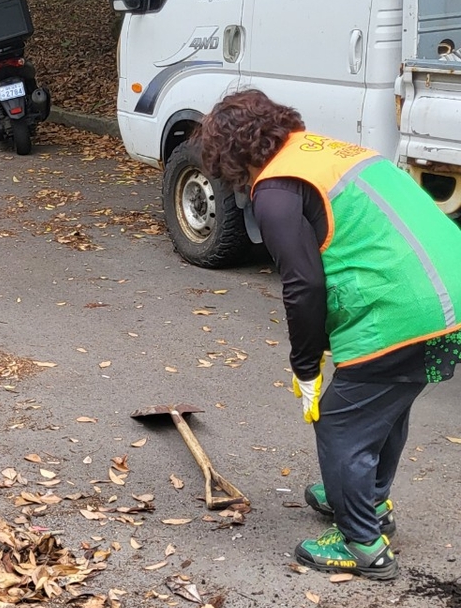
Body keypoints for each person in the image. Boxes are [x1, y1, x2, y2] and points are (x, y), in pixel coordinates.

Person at [197, 89, 461, 580]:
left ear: (229, 156)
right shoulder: (323, 150)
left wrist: (306, 365)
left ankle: (362, 543)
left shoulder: (276, 191)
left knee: (341, 423)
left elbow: (305, 286)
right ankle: (368, 501)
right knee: (383, 404)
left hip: (404, 310)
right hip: (450, 294)